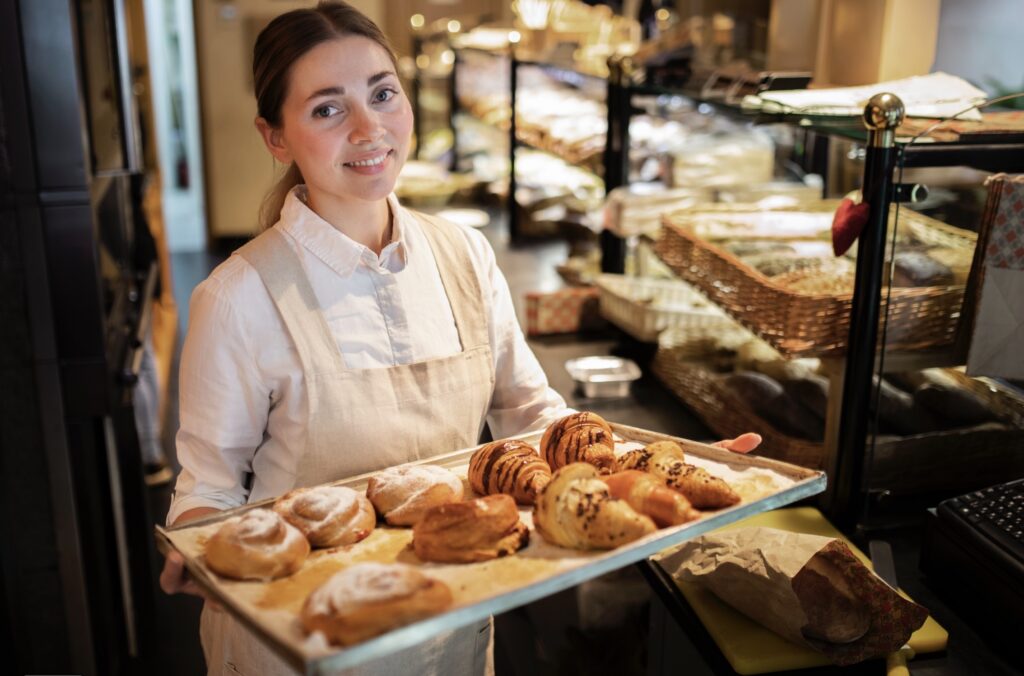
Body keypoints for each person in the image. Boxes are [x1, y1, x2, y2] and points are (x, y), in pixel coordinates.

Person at [158, 3, 760, 674]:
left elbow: (534, 418)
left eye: (383, 94)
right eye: (328, 110)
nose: (370, 128)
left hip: (455, 622)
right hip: (303, 642)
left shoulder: (463, 255)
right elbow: (208, 485)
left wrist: (670, 467)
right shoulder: (239, 298)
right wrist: (195, 542)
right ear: (275, 138)